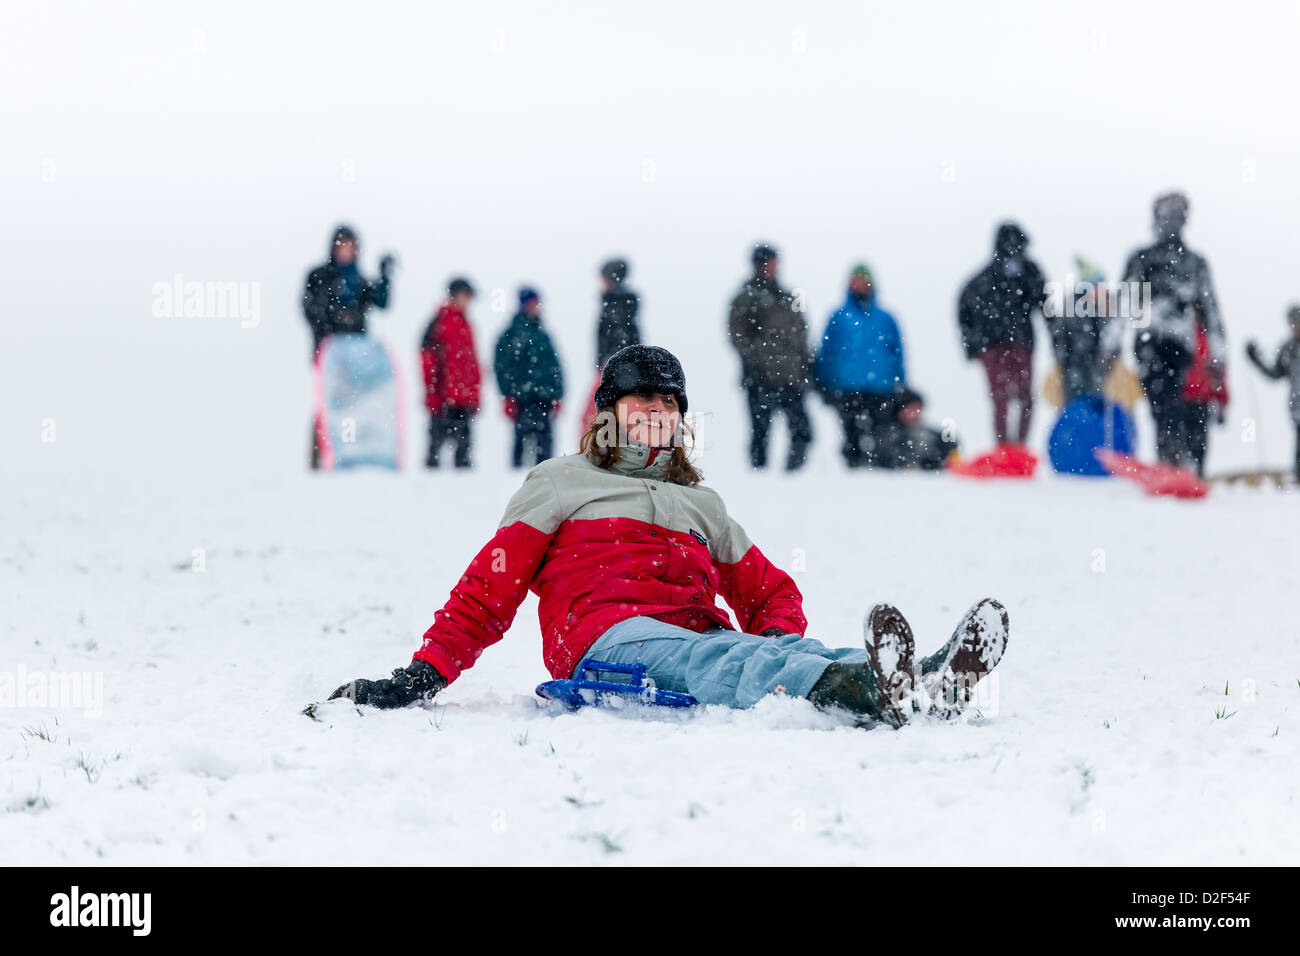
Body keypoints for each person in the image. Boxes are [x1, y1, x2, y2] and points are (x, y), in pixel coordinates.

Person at [328, 344, 1009, 728]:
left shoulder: (698, 502)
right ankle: (865, 690)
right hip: (603, 638)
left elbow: (768, 588)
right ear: (609, 415)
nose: (656, 411)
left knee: (775, 650)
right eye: (640, 402)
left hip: (693, 637)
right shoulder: (560, 483)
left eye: (668, 403)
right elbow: (489, 588)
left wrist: (773, 634)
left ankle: (922, 681)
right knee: (735, 661)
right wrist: (424, 674)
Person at [1122, 192, 1228, 470]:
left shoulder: (1194, 263)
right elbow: (1125, 300)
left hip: (1179, 343)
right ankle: (1170, 457)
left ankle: (1174, 458)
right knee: (1162, 402)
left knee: (1171, 400)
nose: (1172, 223)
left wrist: (1218, 354)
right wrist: (1111, 342)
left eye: (1178, 217)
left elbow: (1210, 310)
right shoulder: (1142, 259)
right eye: (1167, 216)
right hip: (1150, 339)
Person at [302, 224, 395, 468]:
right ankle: (319, 459)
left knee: (355, 407)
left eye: (351, 246)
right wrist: (332, 317)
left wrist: (386, 276)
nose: (346, 250)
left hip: (357, 358)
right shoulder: (319, 276)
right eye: (343, 245)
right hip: (330, 356)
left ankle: (353, 457)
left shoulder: (359, 280)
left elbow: (382, 302)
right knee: (327, 406)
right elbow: (308, 308)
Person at [958, 222, 1047, 446]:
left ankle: (1015, 447)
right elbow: (964, 309)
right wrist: (972, 345)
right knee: (1006, 398)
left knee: (1014, 398)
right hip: (999, 346)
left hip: (1016, 344)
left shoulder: (1025, 273)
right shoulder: (985, 279)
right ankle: (1007, 447)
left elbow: (1046, 304)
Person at [728, 243, 812, 470]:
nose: (775, 267)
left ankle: (794, 477)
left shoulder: (789, 296)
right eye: (770, 262)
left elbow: (801, 332)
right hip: (759, 377)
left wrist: (805, 364)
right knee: (760, 432)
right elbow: (737, 336)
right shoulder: (745, 297)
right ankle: (759, 479)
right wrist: (760, 361)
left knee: (803, 431)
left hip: (791, 377)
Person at [813, 263, 906, 467]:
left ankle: (881, 471)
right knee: (851, 433)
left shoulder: (885, 318)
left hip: (881, 387)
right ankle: (853, 473)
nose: (861, 285)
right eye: (856, 280)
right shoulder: (839, 317)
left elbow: (896, 351)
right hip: (848, 387)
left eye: (864, 280)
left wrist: (900, 381)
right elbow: (827, 351)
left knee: (882, 434)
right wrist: (823, 382)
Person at [495, 287, 564, 468]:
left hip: (544, 397)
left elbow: (554, 366)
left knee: (545, 445)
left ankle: (545, 478)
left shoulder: (542, 334)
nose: (536, 307)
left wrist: (558, 394)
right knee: (521, 444)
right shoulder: (511, 334)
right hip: (523, 399)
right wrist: (508, 395)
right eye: (532, 303)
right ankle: (517, 481)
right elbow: (502, 366)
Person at [420, 278, 482, 469]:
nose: (467, 301)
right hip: (444, 397)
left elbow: (471, 363)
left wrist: (474, 394)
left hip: (462, 399)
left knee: (464, 452)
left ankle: (463, 494)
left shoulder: (466, 324)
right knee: (434, 450)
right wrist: (433, 392)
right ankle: (426, 491)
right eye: (464, 296)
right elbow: (428, 360)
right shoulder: (438, 322)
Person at [1045, 258, 1124, 404]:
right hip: (1076, 367)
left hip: (1097, 368)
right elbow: (1060, 337)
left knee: (1096, 405)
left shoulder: (1106, 306)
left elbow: (1114, 335)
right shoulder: (1074, 306)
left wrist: (1111, 355)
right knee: (1078, 404)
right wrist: (1063, 359)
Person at [1244, 304, 1300, 480]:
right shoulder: (1288, 349)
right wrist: (1256, 358)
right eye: (1293, 324)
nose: (1295, 328)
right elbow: (1275, 373)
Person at [871, 386, 958, 471]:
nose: (916, 414)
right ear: (900, 410)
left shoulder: (926, 433)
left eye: (918, 409)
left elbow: (946, 443)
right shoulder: (888, 435)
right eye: (911, 409)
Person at [595, 258, 641, 370]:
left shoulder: (615, 306)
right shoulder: (621, 304)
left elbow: (616, 338)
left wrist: (606, 364)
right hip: (621, 367)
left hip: (618, 369)